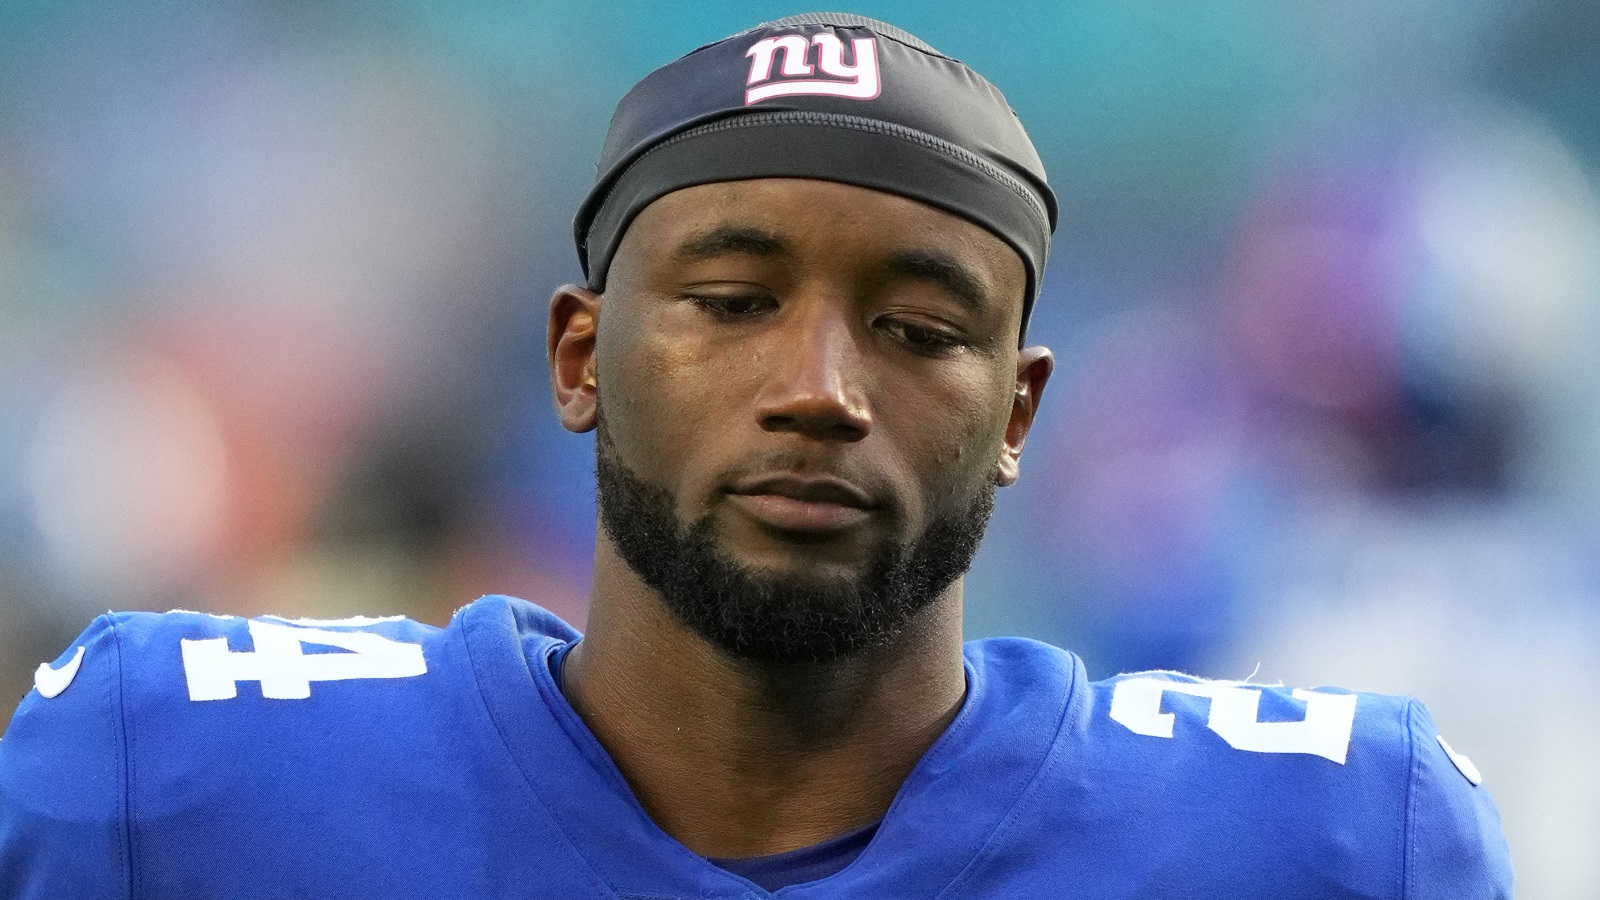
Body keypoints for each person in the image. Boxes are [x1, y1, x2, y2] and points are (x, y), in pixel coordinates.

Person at [0, 13, 1511, 898]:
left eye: (922, 329)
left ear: (1021, 417)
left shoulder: (1326, 840)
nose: (821, 389)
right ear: (579, 357)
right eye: (731, 303)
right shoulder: (174, 777)